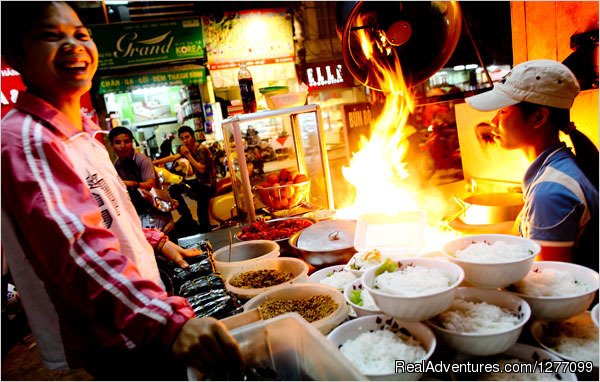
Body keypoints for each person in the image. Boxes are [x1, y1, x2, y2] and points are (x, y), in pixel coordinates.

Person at [0, 2, 242, 379]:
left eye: (80, 34)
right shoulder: (28, 139)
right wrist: (169, 323)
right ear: (15, 54)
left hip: (136, 314)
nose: (72, 46)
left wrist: (153, 241)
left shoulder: (85, 136)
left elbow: (109, 215)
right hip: (119, 333)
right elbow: (77, 250)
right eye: (50, 36)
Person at [466, 59, 599, 271]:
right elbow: (521, 229)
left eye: (502, 111)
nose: (492, 121)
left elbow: (550, 283)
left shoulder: (549, 192)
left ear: (538, 117)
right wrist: (465, 230)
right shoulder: (556, 165)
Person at [154, 126, 217, 233]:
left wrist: (188, 155)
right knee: (173, 188)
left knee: (201, 210)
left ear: (193, 137)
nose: (185, 140)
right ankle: (186, 216)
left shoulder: (202, 149)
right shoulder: (184, 148)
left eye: (187, 137)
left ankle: (206, 231)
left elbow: (201, 169)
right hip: (197, 182)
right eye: (182, 138)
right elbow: (174, 157)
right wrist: (154, 162)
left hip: (207, 184)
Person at [108, 126, 156, 213]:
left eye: (126, 141)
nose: (123, 146)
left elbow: (150, 183)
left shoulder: (142, 159)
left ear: (132, 143)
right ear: (112, 145)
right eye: (118, 142)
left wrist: (132, 184)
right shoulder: (116, 164)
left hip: (151, 206)